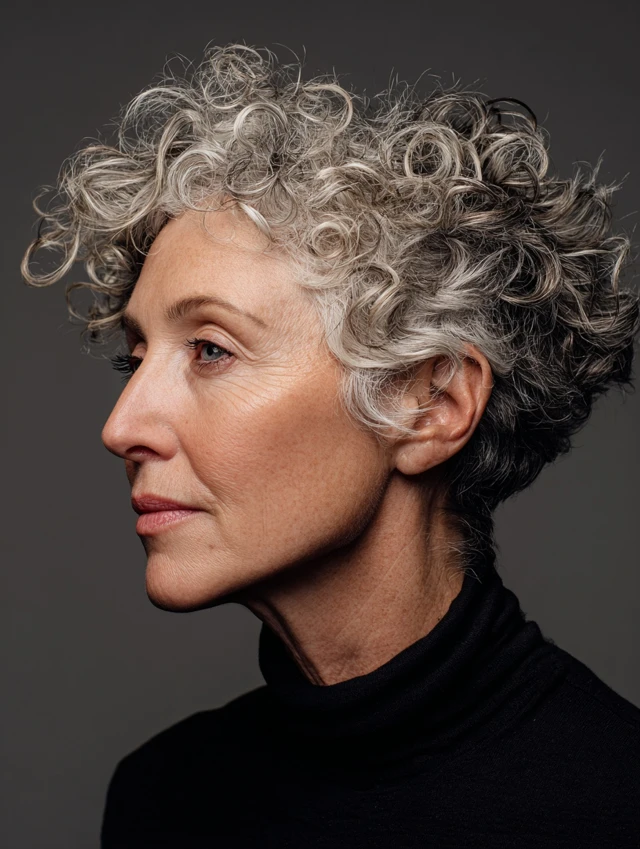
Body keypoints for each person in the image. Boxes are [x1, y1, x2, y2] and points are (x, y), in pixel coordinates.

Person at [21, 43, 640, 848]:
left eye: (210, 349)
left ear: (432, 404)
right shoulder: (161, 799)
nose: (121, 427)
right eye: (133, 360)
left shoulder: (614, 805)